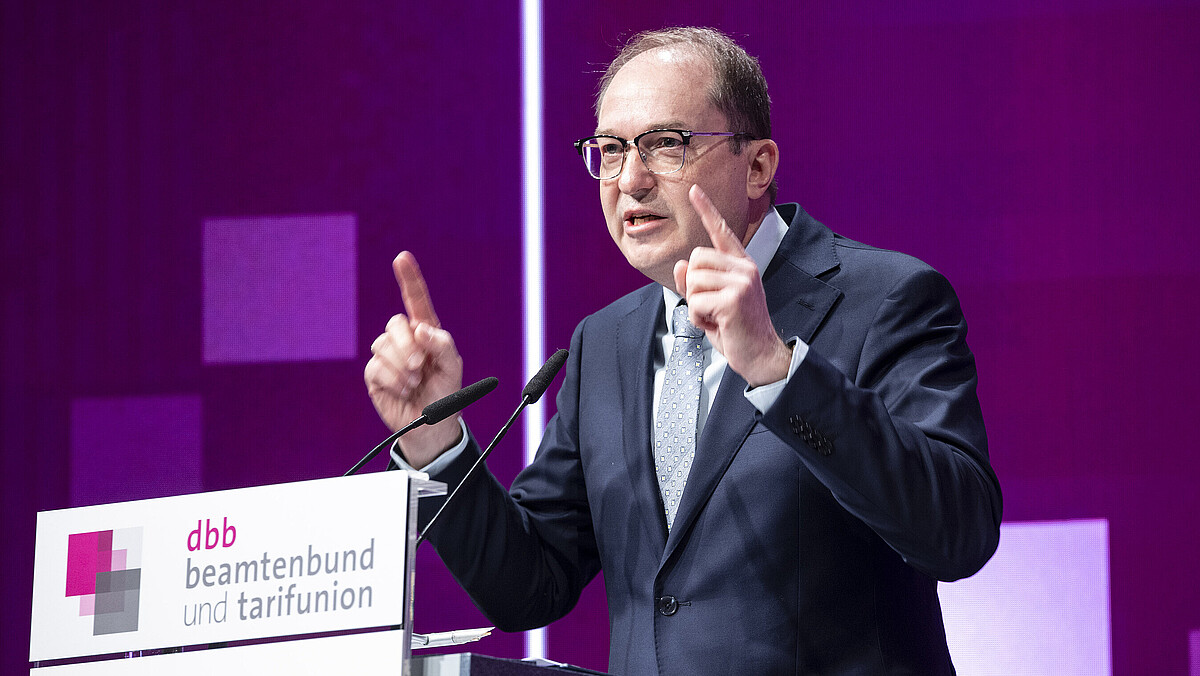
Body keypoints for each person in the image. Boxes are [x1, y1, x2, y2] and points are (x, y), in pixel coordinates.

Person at [365, 26, 1001, 675]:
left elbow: (958, 533)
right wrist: (436, 442)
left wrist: (779, 372)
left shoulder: (885, 299)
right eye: (610, 150)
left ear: (758, 166)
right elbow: (530, 585)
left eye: (666, 144)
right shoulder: (604, 342)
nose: (630, 180)